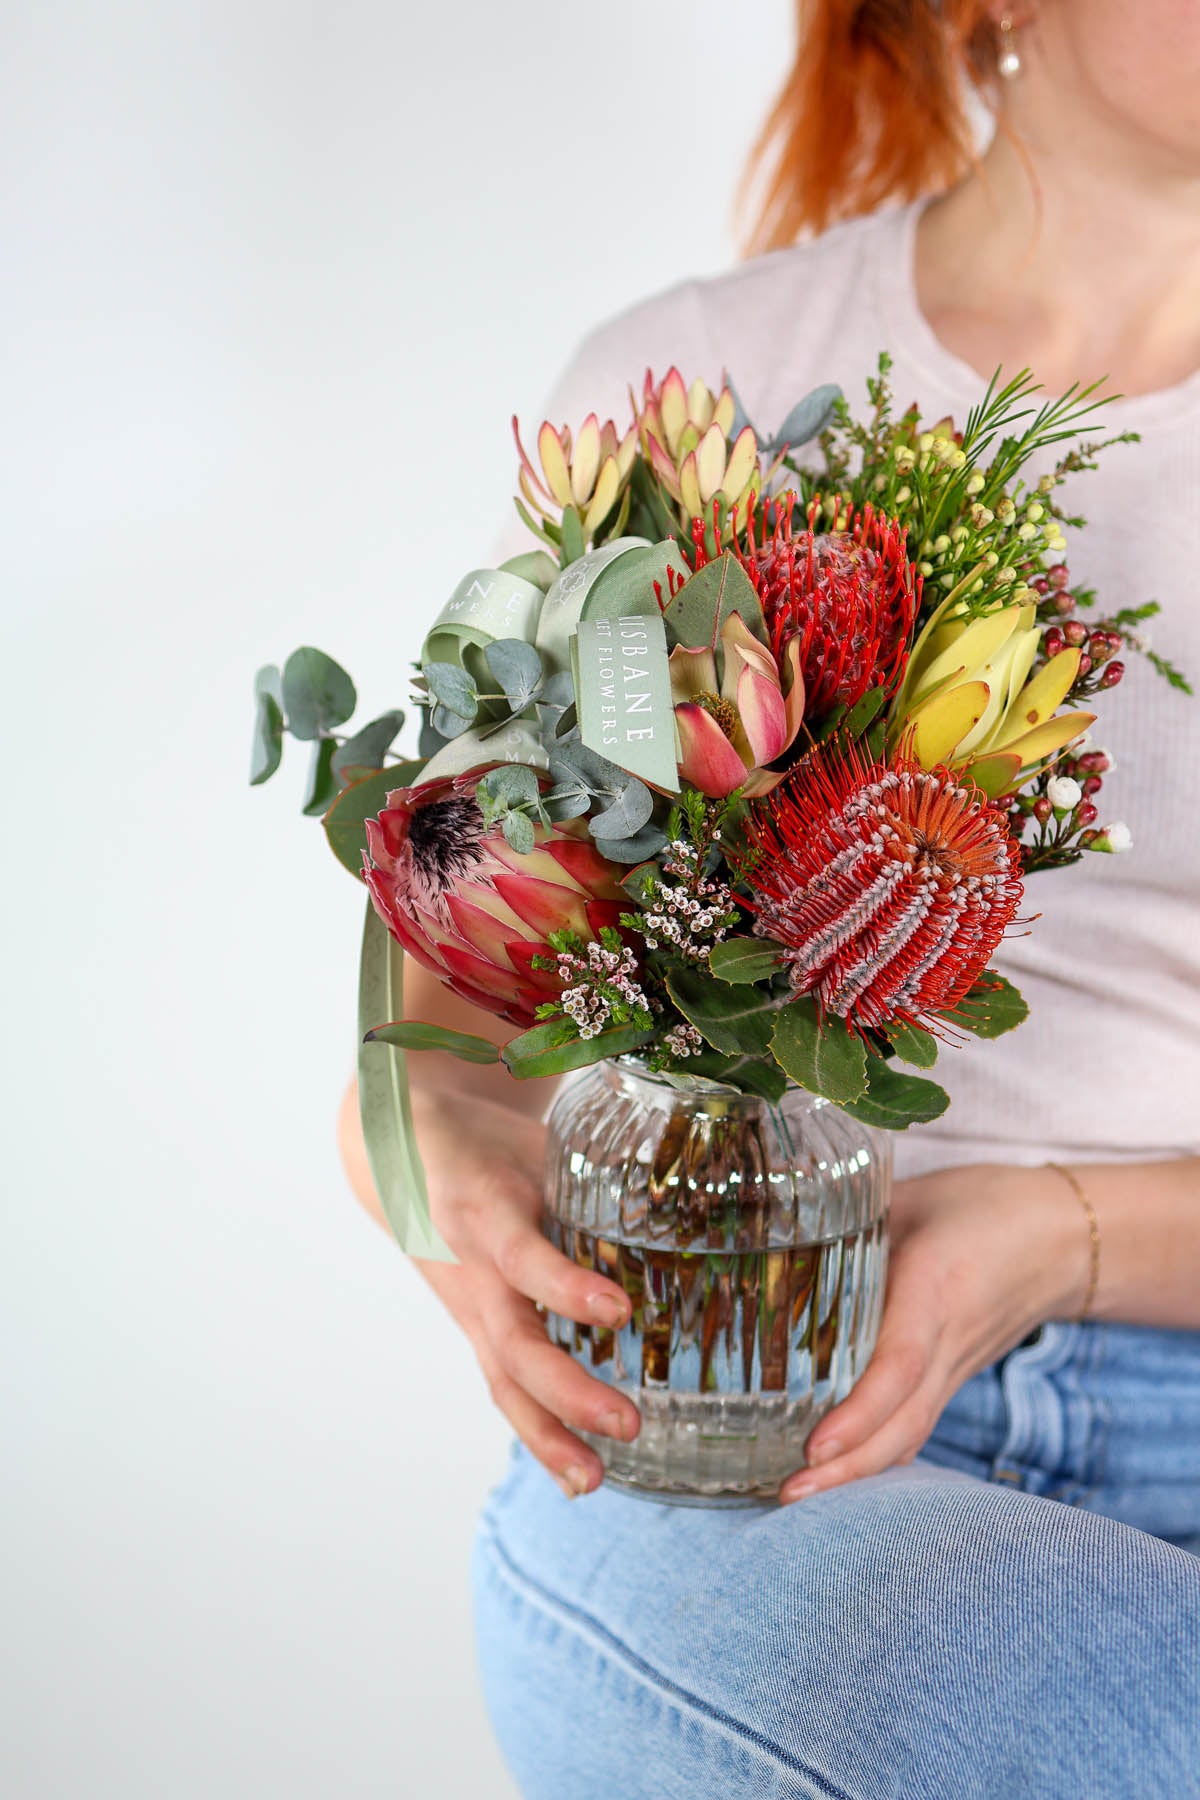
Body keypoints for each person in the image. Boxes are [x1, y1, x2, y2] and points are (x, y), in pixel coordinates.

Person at [338, 2, 1200, 1792]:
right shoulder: (696, 396)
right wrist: (420, 1142)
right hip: (745, 1411)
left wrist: (1057, 1231)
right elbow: (464, 975)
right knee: (884, 1670)